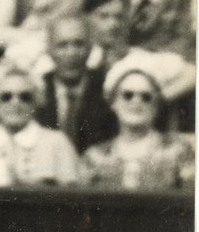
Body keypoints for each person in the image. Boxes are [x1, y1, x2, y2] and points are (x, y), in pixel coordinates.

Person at [0, 62, 78, 187]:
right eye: (6, 97)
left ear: (37, 101)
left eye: (25, 97)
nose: (15, 103)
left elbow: (74, 197)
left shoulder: (57, 144)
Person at [79, 57, 194, 191]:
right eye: (127, 95)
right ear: (113, 102)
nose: (136, 102)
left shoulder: (178, 152)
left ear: (157, 105)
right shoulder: (95, 157)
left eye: (146, 97)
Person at [36, 14, 118, 153]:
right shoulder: (37, 90)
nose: (71, 53)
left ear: (91, 48)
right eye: (62, 45)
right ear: (48, 49)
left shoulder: (108, 89)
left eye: (79, 44)